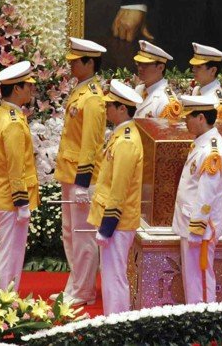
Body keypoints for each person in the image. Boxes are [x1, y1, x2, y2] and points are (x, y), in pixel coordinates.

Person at [55, 36, 107, 306]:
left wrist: (84, 182)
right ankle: (75, 285)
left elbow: (91, 144)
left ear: (89, 63)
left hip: (82, 176)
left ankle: (83, 290)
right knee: (70, 232)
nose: (72, 66)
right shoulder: (81, 92)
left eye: (77, 61)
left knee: (84, 235)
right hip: (70, 172)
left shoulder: (94, 99)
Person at [89, 79, 145, 315]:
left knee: (115, 277)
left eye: (110, 105)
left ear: (123, 108)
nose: (106, 108)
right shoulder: (121, 135)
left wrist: (107, 226)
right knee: (112, 274)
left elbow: (119, 189)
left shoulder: (126, 142)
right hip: (115, 218)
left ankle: (117, 323)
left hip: (118, 221)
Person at [0, 61, 40, 292]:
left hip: (4, 193)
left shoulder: (2, 113)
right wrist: (22, 202)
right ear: (16, 89)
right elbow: (15, 166)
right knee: (10, 252)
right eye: (28, 85)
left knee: (6, 249)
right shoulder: (13, 122)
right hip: (12, 197)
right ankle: (1, 298)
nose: (31, 90)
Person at [172, 93, 222, 303]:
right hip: (191, 222)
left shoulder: (211, 150)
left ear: (201, 118)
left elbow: (207, 192)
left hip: (200, 227)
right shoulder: (202, 143)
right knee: (193, 278)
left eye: (189, 117)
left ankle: (205, 323)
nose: (185, 121)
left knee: (201, 280)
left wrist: (197, 227)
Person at [133, 40, 184, 121]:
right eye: (138, 63)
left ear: (160, 68)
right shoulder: (139, 89)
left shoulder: (167, 102)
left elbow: (169, 133)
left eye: (145, 64)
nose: (140, 68)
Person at [189, 41, 222, 118]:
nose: (193, 69)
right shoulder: (197, 90)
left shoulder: (218, 102)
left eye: (198, 67)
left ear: (213, 70)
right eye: (193, 66)